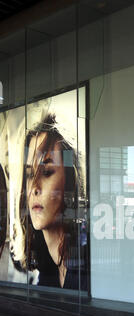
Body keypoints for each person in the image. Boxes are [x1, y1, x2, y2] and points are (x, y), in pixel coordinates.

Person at [11, 114, 88, 290]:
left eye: (46, 172)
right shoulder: (45, 270)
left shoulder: (84, 261)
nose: (34, 187)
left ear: (69, 181)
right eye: (30, 175)